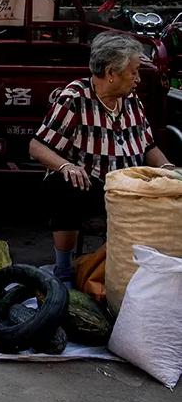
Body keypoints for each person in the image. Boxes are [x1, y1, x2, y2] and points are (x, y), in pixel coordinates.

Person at [29, 31, 175, 282]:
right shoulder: (75, 97)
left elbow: (149, 146)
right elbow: (37, 146)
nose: (138, 78)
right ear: (110, 73)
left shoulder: (131, 100)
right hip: (94, 186)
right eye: (134, 72)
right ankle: (64, 269)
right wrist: (66, 166)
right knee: (64, 185)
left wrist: (169, 170)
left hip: (130, 185)